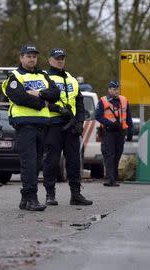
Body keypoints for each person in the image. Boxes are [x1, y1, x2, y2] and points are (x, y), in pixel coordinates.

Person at [2, 44, 60, 211]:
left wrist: (39, 93)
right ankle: (32, 197)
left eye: (34, 56)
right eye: (28, 56)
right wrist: (42, 102)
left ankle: (25, 197)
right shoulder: (14, 76)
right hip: (25, 123)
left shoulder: (43, 75)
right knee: (29, 162)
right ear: (21, 58)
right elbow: (19, 97)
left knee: (36, 162)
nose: (32, 58)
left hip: (42, 124)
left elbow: (55, 93)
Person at [43, 48, 92, 206]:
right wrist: (58, 110)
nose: (60, 61)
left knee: (74, 161)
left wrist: (80, 123)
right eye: (57, 58)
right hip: (53, 125)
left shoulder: (72, 79)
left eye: (62, 58)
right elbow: (41, 102)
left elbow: (79, 102)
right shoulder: (45, 78)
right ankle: (50, 194)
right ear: (50, 60)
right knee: (52, 160)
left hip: (71, 126)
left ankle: (75, 194)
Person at [95, 80, 133, 187]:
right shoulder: (103, 101)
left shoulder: (124, 100)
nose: (116, 91)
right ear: (109, 90)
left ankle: (113, 177)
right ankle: (110, 178)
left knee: (117, 154)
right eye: (114, 89)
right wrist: (109, 123)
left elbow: (128, 117)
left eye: (117, 89)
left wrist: (130, 131)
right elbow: (97, 116)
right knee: (109, 155)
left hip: (121, 132)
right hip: (108, 132)